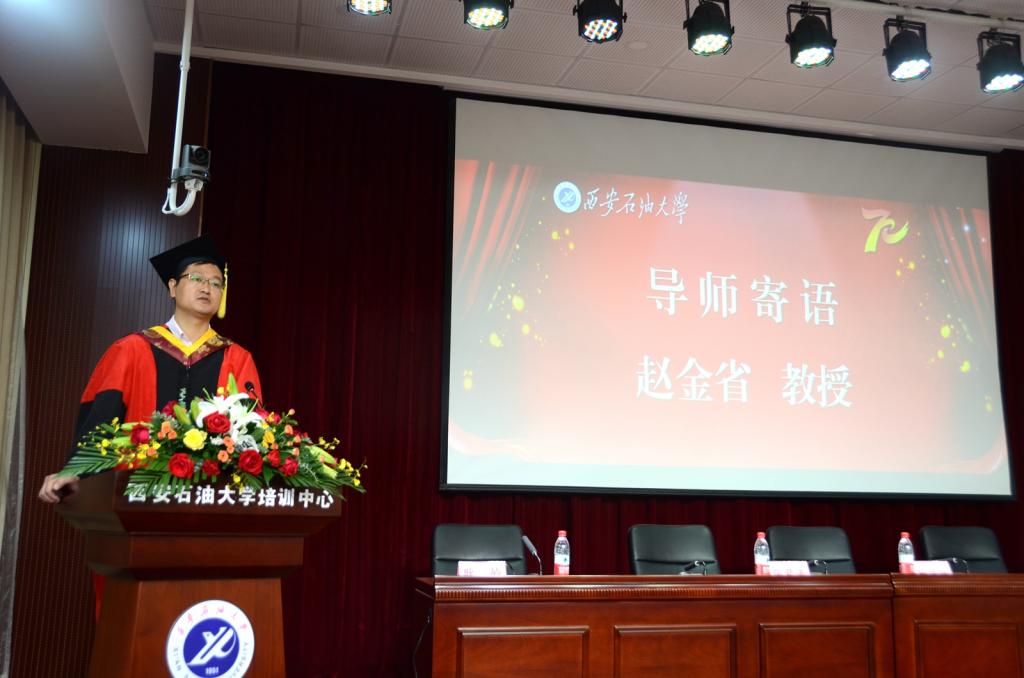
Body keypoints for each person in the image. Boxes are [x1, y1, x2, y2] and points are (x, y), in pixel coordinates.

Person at [38, 234, 262, 502]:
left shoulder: (236, 358)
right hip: (135, 491)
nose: (207, 287)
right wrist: (76, 470)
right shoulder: (131, 349)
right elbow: (101, 417)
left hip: (208, 496)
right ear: (172, 287)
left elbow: (251, 430)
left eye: (216, 283)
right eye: (196, 278)